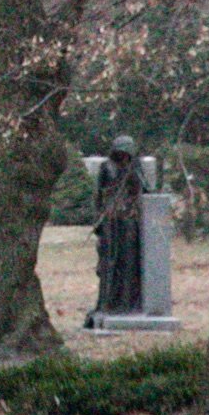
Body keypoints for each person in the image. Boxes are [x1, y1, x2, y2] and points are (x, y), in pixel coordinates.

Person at [89, 136, 145, 326]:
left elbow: (145, 191)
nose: (123, 156)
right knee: (110, 264)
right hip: (111, 224)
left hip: (129, 224)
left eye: (126, 153)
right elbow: (99, 195)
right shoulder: (107, 167)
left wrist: (133, 177)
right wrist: (99, 221)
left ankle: (128, 301)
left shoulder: (135, 167)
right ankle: (108, 302)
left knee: (129, 263)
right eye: (120, 152)